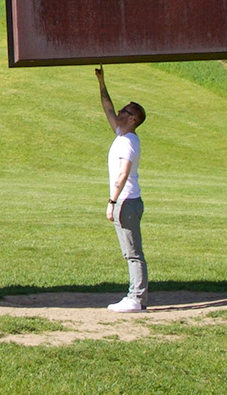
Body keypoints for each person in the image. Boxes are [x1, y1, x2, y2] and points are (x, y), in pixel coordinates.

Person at [96, 65, 147, 312]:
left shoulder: (128, 142)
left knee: (133, 253)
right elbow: (107, 106)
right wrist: (102, 83)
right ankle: (135, 297)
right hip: (125, 201)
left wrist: (112, 201)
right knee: (130, 251)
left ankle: (136, 299)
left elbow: (123, 174)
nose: (118, 111)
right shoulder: (120, 134)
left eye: (124, 111)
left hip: (126, 201)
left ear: (133, 119)